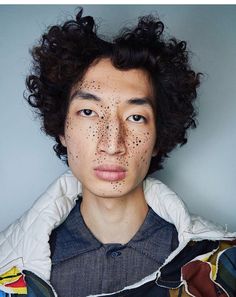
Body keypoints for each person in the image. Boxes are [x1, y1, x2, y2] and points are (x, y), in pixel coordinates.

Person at [0, 8, 235, 297]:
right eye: (88, 112)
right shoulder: (6, 268)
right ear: (62, 128)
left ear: (159, 135)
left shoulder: (225, 266)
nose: (112, 144)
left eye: (136, 117)